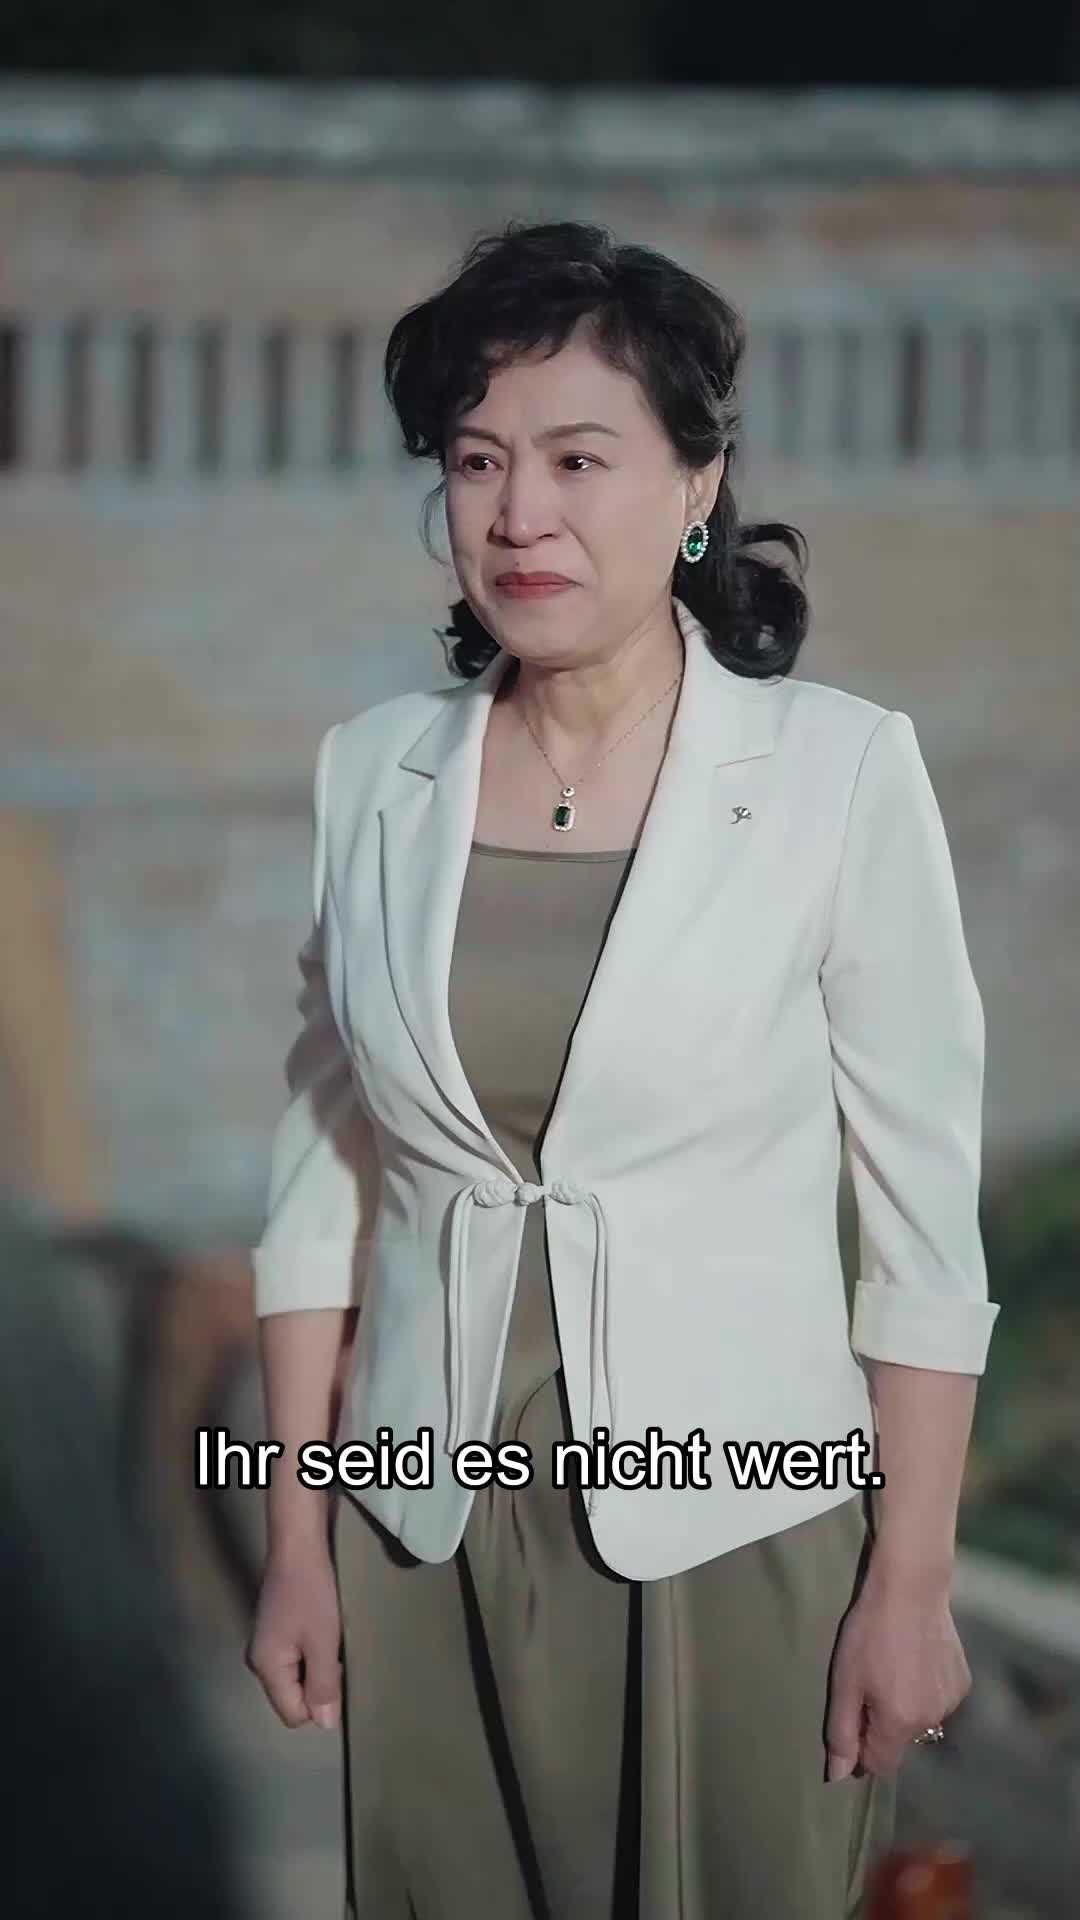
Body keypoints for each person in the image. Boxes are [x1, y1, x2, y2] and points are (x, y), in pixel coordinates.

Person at [246, 218, 1000, 1920]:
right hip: (424, 1537)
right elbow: (318, 1196)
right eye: (477, 461)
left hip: (736, 1542)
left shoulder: (836, 775)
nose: (521, 513)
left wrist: (911, 1583)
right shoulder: (373, 778)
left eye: (580, 459)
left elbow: (919, 1223)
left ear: (696, 484)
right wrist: (296, 1539)